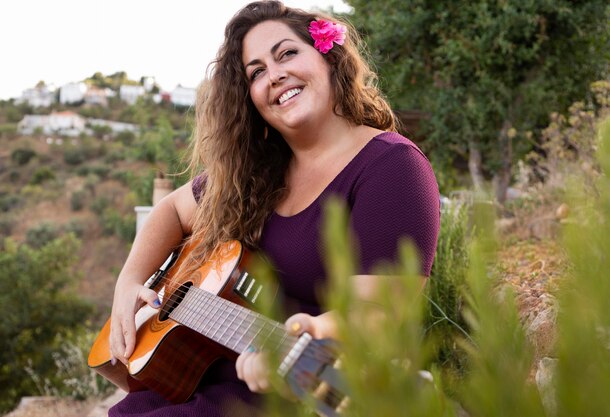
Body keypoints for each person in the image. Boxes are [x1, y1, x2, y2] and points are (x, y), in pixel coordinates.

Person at [107, 1, 440, 416]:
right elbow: (172, 211)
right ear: (250, 99)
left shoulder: (392, 168)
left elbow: (378, 313)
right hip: (206, 370)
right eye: (257, 72)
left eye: (287, 54)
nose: (275, 75)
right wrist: (128, 284)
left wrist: (312, 333)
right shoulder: (257, 171)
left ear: (328, 57)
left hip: (303, 393)